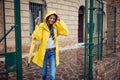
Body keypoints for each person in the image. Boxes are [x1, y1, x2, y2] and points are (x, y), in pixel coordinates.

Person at [28, 11, 69, 80]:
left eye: (54, 18)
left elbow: (66, 32)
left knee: (52, 75)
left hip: (53, 52)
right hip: (43, 52)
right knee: (44, 74)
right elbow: (37, 37)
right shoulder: (41, 26)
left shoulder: (56, 27)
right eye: (51, 18)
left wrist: (60, 21)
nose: (52, 20)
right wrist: (36, 25)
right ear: (47, 18)